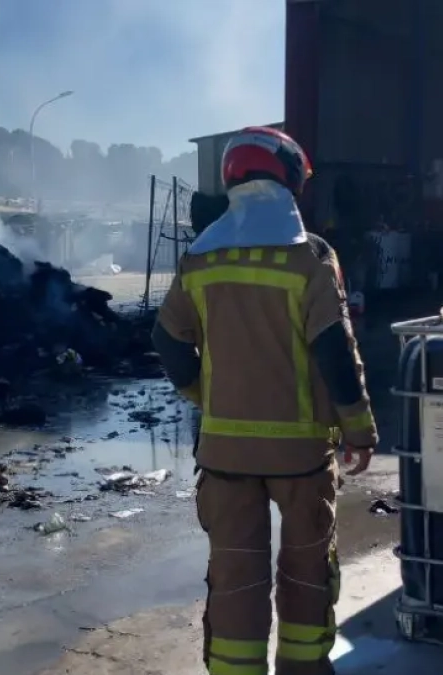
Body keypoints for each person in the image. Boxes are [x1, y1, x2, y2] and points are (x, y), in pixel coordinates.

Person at [152, 126, 378, 675]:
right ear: (289, 177)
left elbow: (167, 340)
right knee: (305, 571)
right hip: (300, 455)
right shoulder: (311, 258)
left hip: (225, 456)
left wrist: (206, 394)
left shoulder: (201, 257)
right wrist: (358, 429)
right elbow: (335, 353)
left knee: (235, 577)